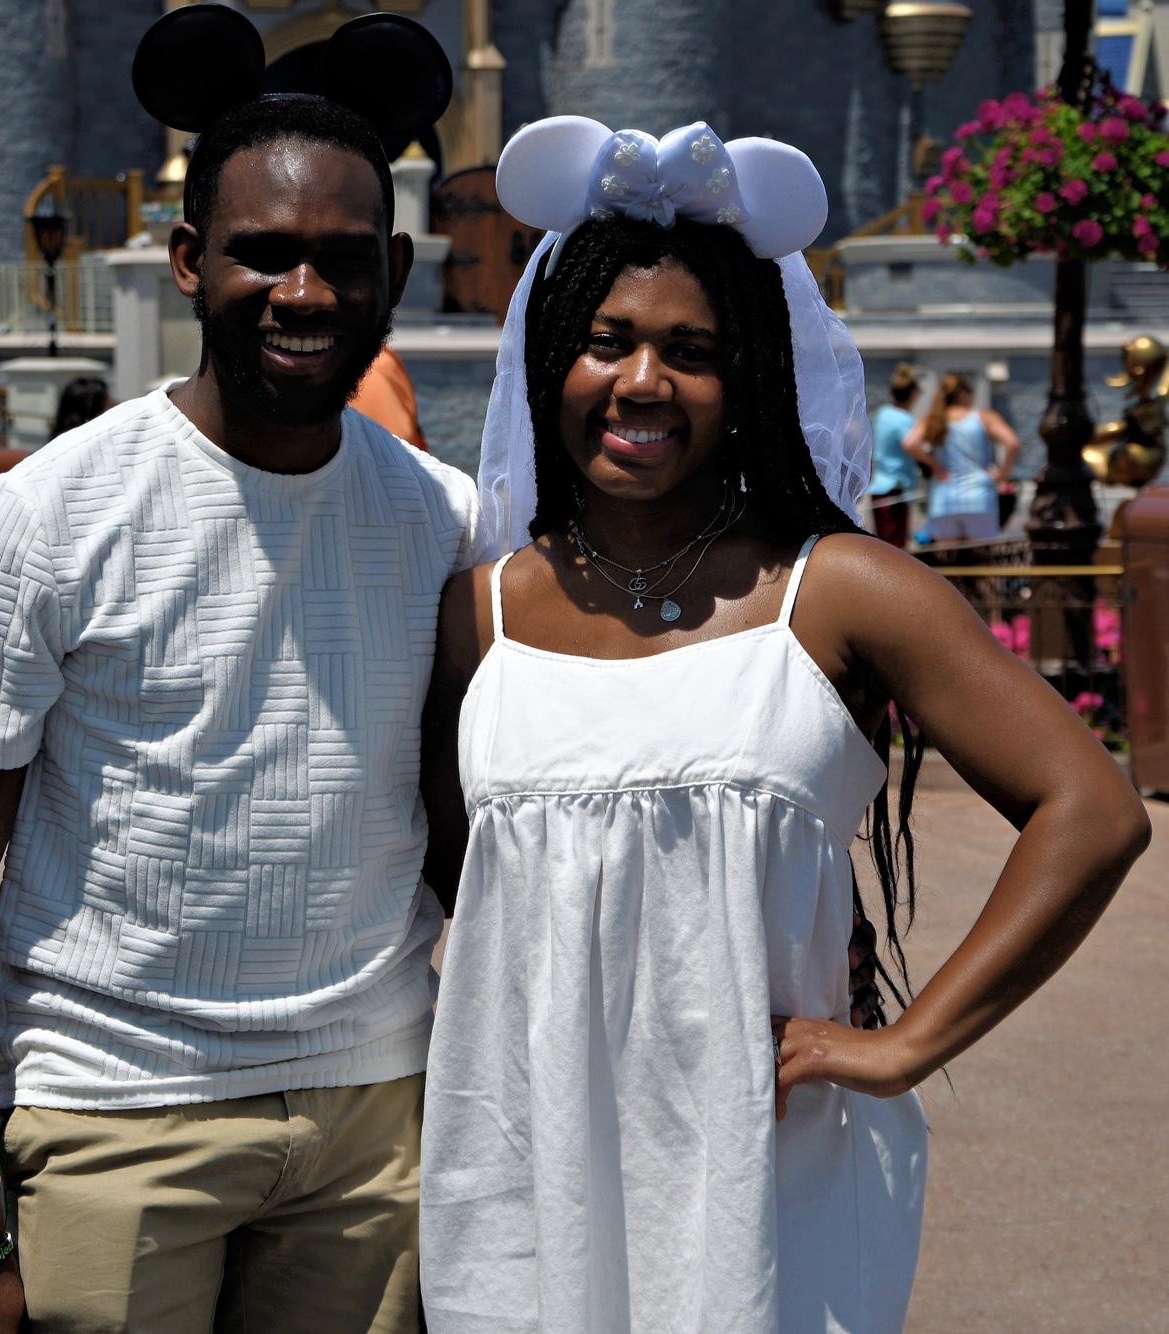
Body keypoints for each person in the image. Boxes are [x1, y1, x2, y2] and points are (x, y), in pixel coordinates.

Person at [417, 116, 1150, 1332]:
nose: (641, 381)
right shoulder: (477, 614)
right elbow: (463, 879)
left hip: (766, 1169)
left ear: (748, 374)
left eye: (689, 350)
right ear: (551, 357)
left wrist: (900, 1043)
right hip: (524, 1167)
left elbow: (1092, 808)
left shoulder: (839, 590)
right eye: (606, 341)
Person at [0, 8, 469, 1332]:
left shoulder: (439, 516)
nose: (303, 293)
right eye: (263, 255)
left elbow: (466, 824)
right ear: (188, 256)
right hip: (113, 1113)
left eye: (338, 260)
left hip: (372, 1122)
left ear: (391, 264)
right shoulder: (47, 514)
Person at [903, 371, 1020, 545]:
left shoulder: (934, 420)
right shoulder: (982, 417)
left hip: (944, 498)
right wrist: (1003, 474)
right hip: (979, 496)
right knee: (985, 562)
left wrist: (935, 466)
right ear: (964, 394)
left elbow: (909, 444)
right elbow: (1012, 442)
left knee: (948, 564)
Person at [867, 362, 922, 547]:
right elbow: (911, 446)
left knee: (886, 545)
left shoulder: (883, 413)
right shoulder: (904, 419)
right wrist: (934, 465)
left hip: (880, 487)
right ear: (913, 393)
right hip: (894, 489)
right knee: (896, 547)